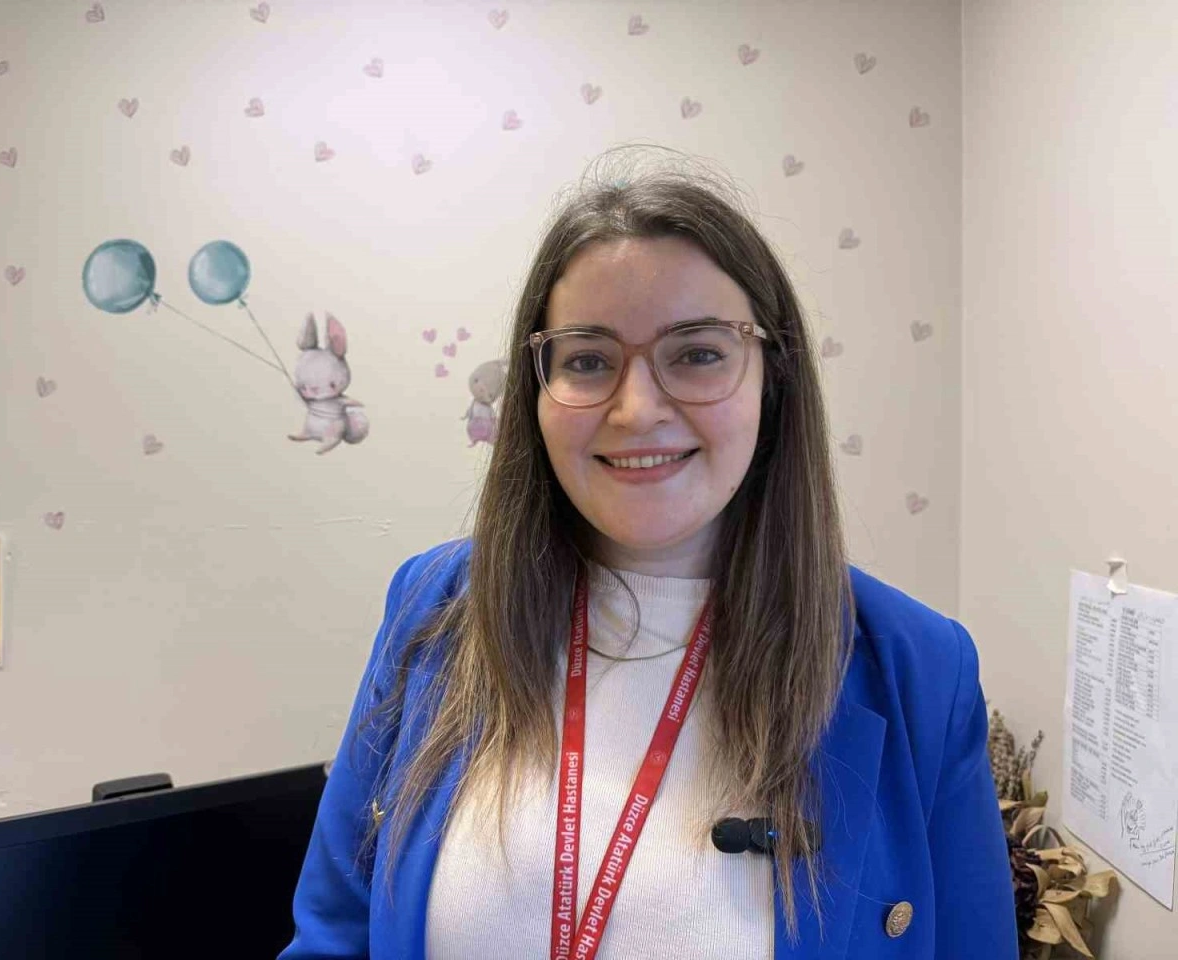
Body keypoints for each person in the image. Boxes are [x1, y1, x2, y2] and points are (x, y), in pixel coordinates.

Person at [279, 147, 1018, 960]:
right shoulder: (433, 606)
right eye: (588, 360)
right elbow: (333, 936)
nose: (636, 410)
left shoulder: (921, 670)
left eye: (697, 353)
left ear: (772, 378)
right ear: (537, 389)